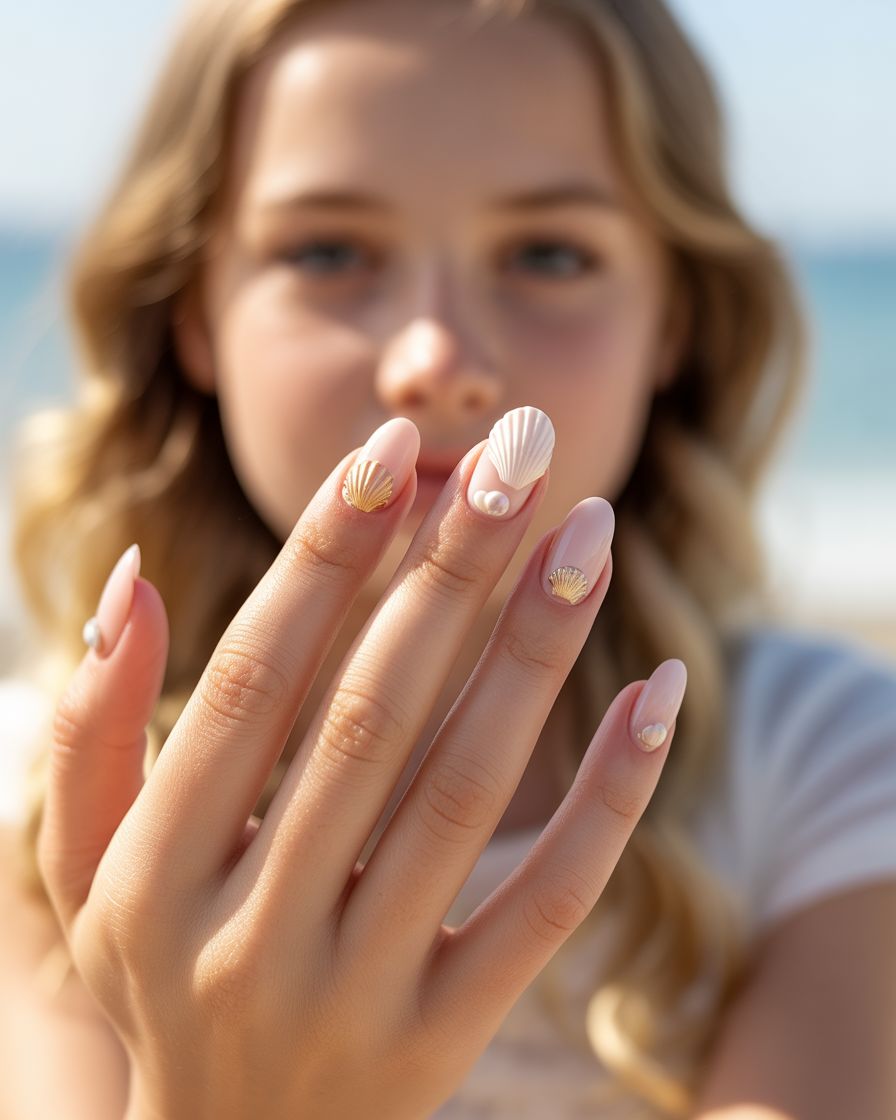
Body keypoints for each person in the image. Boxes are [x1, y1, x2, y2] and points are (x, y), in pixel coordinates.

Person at [1, 0, 895, 1116]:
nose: (435, 359)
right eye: (326, 250)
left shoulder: (825, 763)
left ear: (672, 315)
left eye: (548, 252)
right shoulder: (58, 789)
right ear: (195, 313)